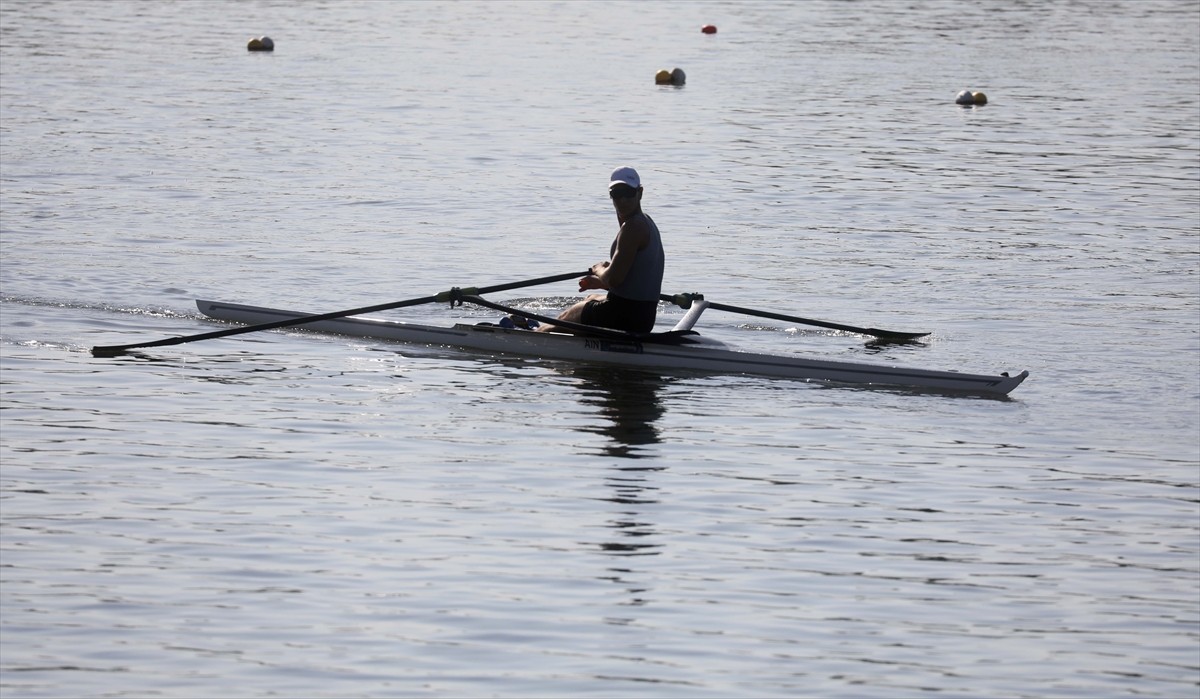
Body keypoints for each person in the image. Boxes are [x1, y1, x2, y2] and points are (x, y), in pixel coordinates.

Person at [537, 166, 665, 334]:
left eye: (628, 193)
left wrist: (599, 270)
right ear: (611, 195)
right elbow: (636, 278)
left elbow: (613, 279)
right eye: (617, 193)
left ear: (640, 193)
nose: (622, 200)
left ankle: (536, 335)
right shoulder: (645, 221)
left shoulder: (633, 227)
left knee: (568, 316)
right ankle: (546, 330)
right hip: (642, 316)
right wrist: (601, 282)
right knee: (590, 298)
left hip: (623, 316)